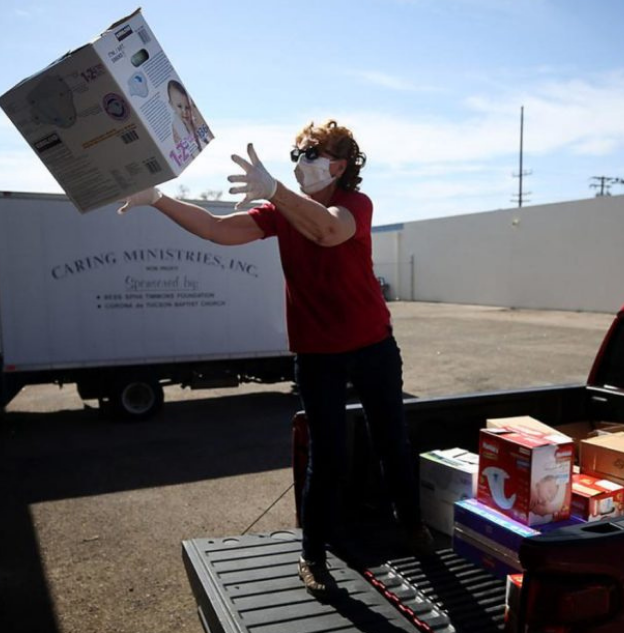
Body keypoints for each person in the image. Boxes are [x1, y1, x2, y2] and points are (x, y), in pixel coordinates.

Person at [118, 119, 432, 597]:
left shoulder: (354, 205)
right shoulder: (279, 211)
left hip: (373, 346)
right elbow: (216, 231)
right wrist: (159, 199)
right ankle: (312, 557)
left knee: (392, 442)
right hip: (318, 354)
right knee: (327, 458)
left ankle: (411, 527)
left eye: (312, 153)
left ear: (339, 165)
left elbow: (329, 232)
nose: (301, 161)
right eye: (298, 153)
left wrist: (277, 190)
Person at [167, 80, 211, 153]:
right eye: (179, 106)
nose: (184, 111)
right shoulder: (177, 125)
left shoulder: (194, 118)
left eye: (187, 107)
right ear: (171, 104)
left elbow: (207, 139)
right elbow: (194, 152)